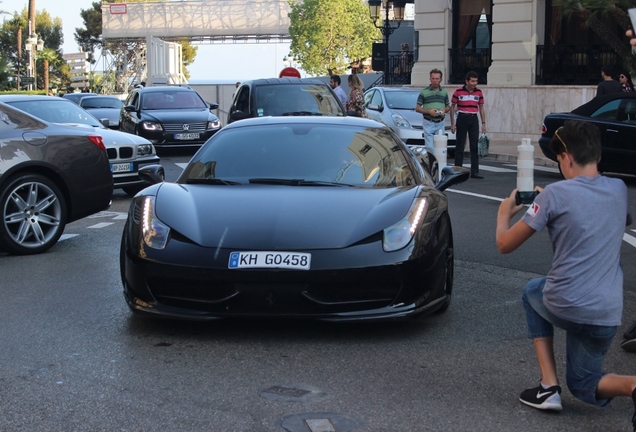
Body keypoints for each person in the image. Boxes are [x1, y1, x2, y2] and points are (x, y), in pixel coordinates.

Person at [496, 119, 636, 430]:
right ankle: (632, 386)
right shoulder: (618, 189)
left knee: (533, 291)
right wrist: (555, 200)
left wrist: (504, 214)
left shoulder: (553, 196)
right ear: (597, 157)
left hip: (567, 303)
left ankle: (548, 386)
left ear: (566, 158)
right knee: (584, 383)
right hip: (608, 312)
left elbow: (504, 244)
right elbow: (595, 211)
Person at [450, 71, 486, 179]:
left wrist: (484, 123)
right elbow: (452, 107)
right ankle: (458, 170)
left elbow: (481, 108)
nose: (475, 83)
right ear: (467, 81)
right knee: (460, 145)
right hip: (462, 118)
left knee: (474, 146)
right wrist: (453, 123)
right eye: (472, 81)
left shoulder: (478, 92)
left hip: (473, 119)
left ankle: (475, 171)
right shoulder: (458, 92)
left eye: (476, 81)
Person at [415, 68, 450, 152]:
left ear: (441, 80)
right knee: (430, 147)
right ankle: (431, 164)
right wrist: (429, 111)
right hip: (428, 122)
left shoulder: (444, 92)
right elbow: (417, 108)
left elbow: (448, 107)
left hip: (440, 123)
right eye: (433, 78)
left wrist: (444, 110)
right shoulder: (424, 92)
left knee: (440, 147)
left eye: (437, 79)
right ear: (430, 79)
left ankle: (438, 164)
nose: (435, 81)